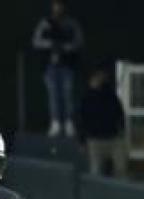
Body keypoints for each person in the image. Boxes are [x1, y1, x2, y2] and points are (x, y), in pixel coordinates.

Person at [32, 0, 84, 137]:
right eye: (55, 6)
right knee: (53, 95)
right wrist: (51, 44)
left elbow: (78, 42)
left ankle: (68, 123)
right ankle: (55, 123)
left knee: (67, 95)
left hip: (67, 65)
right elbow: (36, 41)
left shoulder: (71, 23)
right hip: (50, 65)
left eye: (60, 6)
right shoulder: (45, 23)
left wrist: (66, 47)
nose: (58, 8)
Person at [78, 68, 127, 177]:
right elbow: (81, 121)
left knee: (121, 169)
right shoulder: (86, 99)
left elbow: (120, 114)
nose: (99, 80)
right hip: (95, 141)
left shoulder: (111, 96)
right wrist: (81, 141)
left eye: (101, 77)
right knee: (96, 171)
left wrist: (122, 130)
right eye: (96, 77)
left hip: (114, 139)